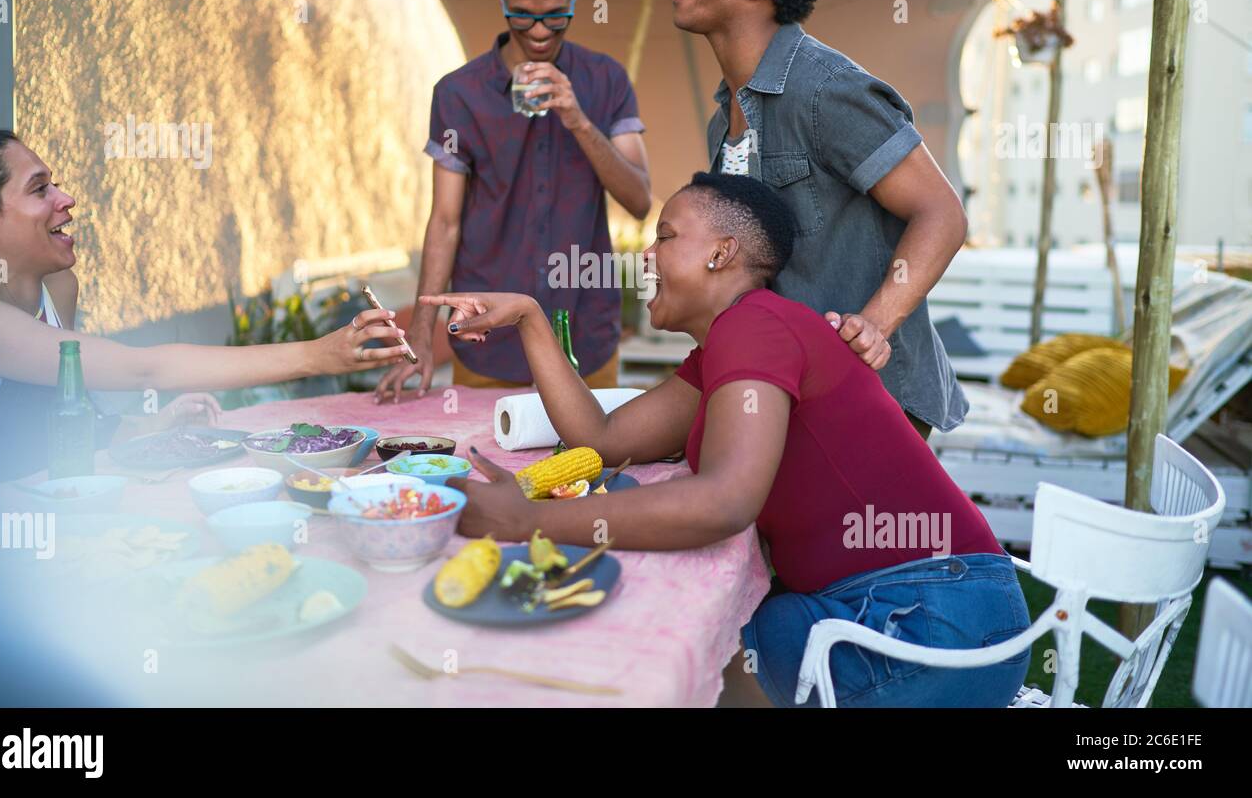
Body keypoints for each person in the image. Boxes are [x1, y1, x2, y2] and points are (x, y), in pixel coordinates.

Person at [420, 172, 1030, 708]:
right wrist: (530, 318)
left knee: (679, 658)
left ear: (722, 253)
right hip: (915, 609)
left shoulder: (756, 326)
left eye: (665, 236)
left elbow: (723, 503)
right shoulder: (726, 346)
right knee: (698, 636)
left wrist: (528, 521)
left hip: (927, 620)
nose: (647, 256)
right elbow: (601, 437)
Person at [672, 0, 971, 440]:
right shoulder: (724, 115)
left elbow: (942, 213)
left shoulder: (825, 90)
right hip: (793, 396)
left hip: (870, 404)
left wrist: (874, 325)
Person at [0, 130, 410, 484]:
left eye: (56, 185)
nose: (65, 200)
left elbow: (62, 424)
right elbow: (142, 369)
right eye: (39, 190)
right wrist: (318, 354)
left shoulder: (59, 288)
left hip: (48, 525)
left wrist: (147, 424)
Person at [375, 0, 651, 404]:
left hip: (584, 340)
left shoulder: (606, 80)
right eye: (522, 16)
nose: (540, 32)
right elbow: (445, 221)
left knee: (588, 474)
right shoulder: (458, 94)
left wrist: (579, 120)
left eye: (555, 16)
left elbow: (640, 201)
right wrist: (420, 332)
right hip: (487, 343)